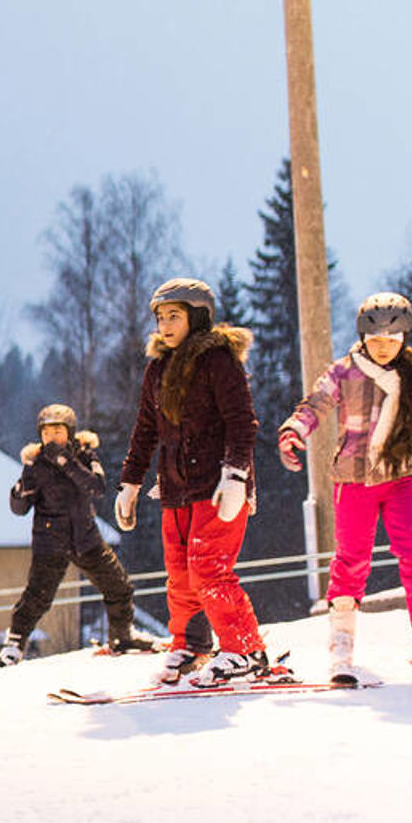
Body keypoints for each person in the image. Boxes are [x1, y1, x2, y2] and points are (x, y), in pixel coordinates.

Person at [278, 292, 412, 678]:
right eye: (376, 340)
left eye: (392, 341)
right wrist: (295, 431)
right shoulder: (343, 372)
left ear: (404, 339)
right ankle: (342, 640)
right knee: (351, 558)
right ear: (363, 337)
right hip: (354, 478)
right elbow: (315, 405)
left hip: (403, 475)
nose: (383, 348)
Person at [116, 278, 270, 687]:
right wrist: (130, 482)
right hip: (175, 488)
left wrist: (236, 475)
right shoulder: (158, 368)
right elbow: (146, 430)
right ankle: (191, 643)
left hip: (219, 486)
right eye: (161, 317)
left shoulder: (218, 360)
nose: (165, 325)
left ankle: (246, 650)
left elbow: (242, 423)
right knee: (180, 572)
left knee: (209, 568)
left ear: (197, 317)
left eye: (174, 316)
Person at [0, 404, 152, 666]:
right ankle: (14, 644)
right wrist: (20, 490)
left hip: (85, 537)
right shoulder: (35, 464)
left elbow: (98, 487)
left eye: (57, 431)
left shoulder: (85, 455)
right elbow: (19, 509)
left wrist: (66, 462)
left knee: (119, 586)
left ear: (69, 432)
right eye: (46, 433)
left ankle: (122, 636)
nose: (51, 438)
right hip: (50, 541)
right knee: (38, 596)